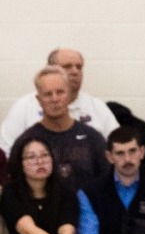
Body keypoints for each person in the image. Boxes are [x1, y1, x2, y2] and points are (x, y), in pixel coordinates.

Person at [9, 65, 109, 193]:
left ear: (69, 95)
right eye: (48, 94)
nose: (55, 99)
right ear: (38, 100)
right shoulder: (26, 142)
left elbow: (106, 184)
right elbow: (15, 189)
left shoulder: (92, 138)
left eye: (60, 92)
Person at [0, 47, 119, 148]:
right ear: (50, 69)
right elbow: (6, 151)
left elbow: (118, 148)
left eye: (79, 67)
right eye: (67, 66)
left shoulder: (97, 107)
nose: (75, 71)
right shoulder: (25, 106)